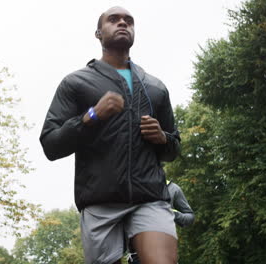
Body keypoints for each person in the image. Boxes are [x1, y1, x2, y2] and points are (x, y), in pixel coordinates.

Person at [39, 6, 181, 264]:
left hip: (150, 197)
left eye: (129, 20)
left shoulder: (155, 87)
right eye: (113, 20)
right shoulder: (76, 83)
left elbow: (174, 149)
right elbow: (50, 143)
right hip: (99, 201)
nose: (122, 23)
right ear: (98, 32)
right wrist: (91, 116)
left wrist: (162, 137)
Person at [128, 180, 195, 263]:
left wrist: (174, 214)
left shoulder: (173, 188)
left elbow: (190, 217)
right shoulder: (132, 187)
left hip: (166, 254)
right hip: (138, 256)